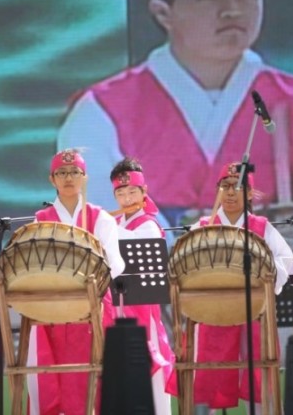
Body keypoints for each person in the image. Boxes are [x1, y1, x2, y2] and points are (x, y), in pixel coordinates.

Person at [58, 0, 293, 229]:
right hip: (153, 291)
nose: (233, 10)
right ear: (164, 13)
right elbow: (98, 220)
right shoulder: (101, 110)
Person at [26, 148, 125, 415]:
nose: (68, 178)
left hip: (94, 310)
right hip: (53, 313)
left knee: (98, 381)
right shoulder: (41, 220)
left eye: (74, 172)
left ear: (84, 178)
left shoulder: (100, 217)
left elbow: (115, 263)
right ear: (52, 179)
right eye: (62, 173)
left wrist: (89, 284)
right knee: (53, 378)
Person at [189, 161, 293, 413]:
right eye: (225, 186)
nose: (231, 192)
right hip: (213, 312)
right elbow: (186, 264)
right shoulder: (203, 227)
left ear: (249, 193)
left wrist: (264, 275)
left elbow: (283, 260)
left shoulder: (261, 227)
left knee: (256, 369)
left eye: (238, 186)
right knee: (211, 371)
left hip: (253, 309)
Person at [109, 157, 175, 414]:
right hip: (115, 310)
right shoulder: (114, 223)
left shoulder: (148, 223)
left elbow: (134, 247)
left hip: (143, 311)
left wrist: (102, 226)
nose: (126, 198)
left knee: (152, 375)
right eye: (121, 193)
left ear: (144, 191)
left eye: (132, 191)